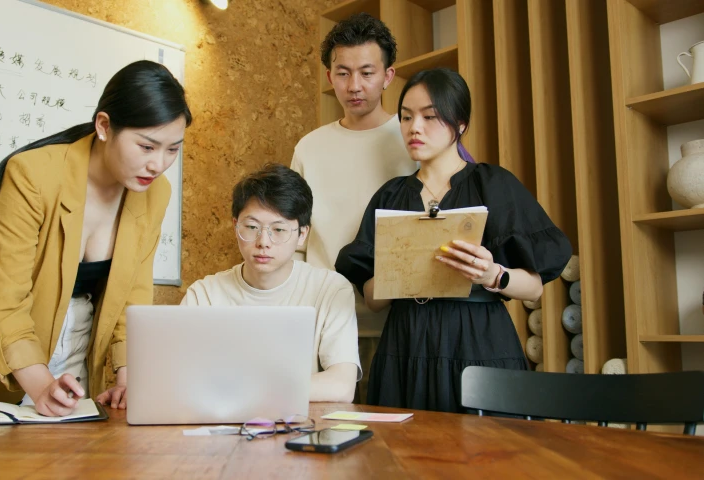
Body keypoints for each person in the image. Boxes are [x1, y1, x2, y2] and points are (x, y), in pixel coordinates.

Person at [0, 60, 192, 417]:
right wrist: (41, 385)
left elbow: (133, 294)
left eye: (172, 149)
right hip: (3, 371)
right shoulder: (33, 174)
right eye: (147, 147)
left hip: (79, 367)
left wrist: (127, 373)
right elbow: (2, 301)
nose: (158, 164)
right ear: (104, 126)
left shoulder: (155, 192)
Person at [336, 68, 572, 413]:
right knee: (406, 459)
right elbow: (373, 300)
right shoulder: (390, 196)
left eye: (430, 117)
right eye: (406, 117)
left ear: (460, 123)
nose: (414, 127)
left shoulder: (493, 185)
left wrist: (492, 274)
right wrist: (397, 272)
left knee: (486, 459)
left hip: (479, 342)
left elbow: (534, 288)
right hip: (407, 342)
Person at [181, 164, 361, 403]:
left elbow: (341, 387)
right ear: (235, 226)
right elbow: (179, 379)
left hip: (301, 430)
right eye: (252, 227)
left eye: (278, 229)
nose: (263, 241)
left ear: (302, 234)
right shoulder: (204, 295)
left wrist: (246, 390)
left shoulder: (331, 290)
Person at [291, 13, 417, 336]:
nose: (354, 85)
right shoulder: (309, 148)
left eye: (366, 72)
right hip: (322, 323)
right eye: (343, 73)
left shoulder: (413, 143)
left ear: (388, 76)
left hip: (397, 325)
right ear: (330, 78)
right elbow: (295, 241)